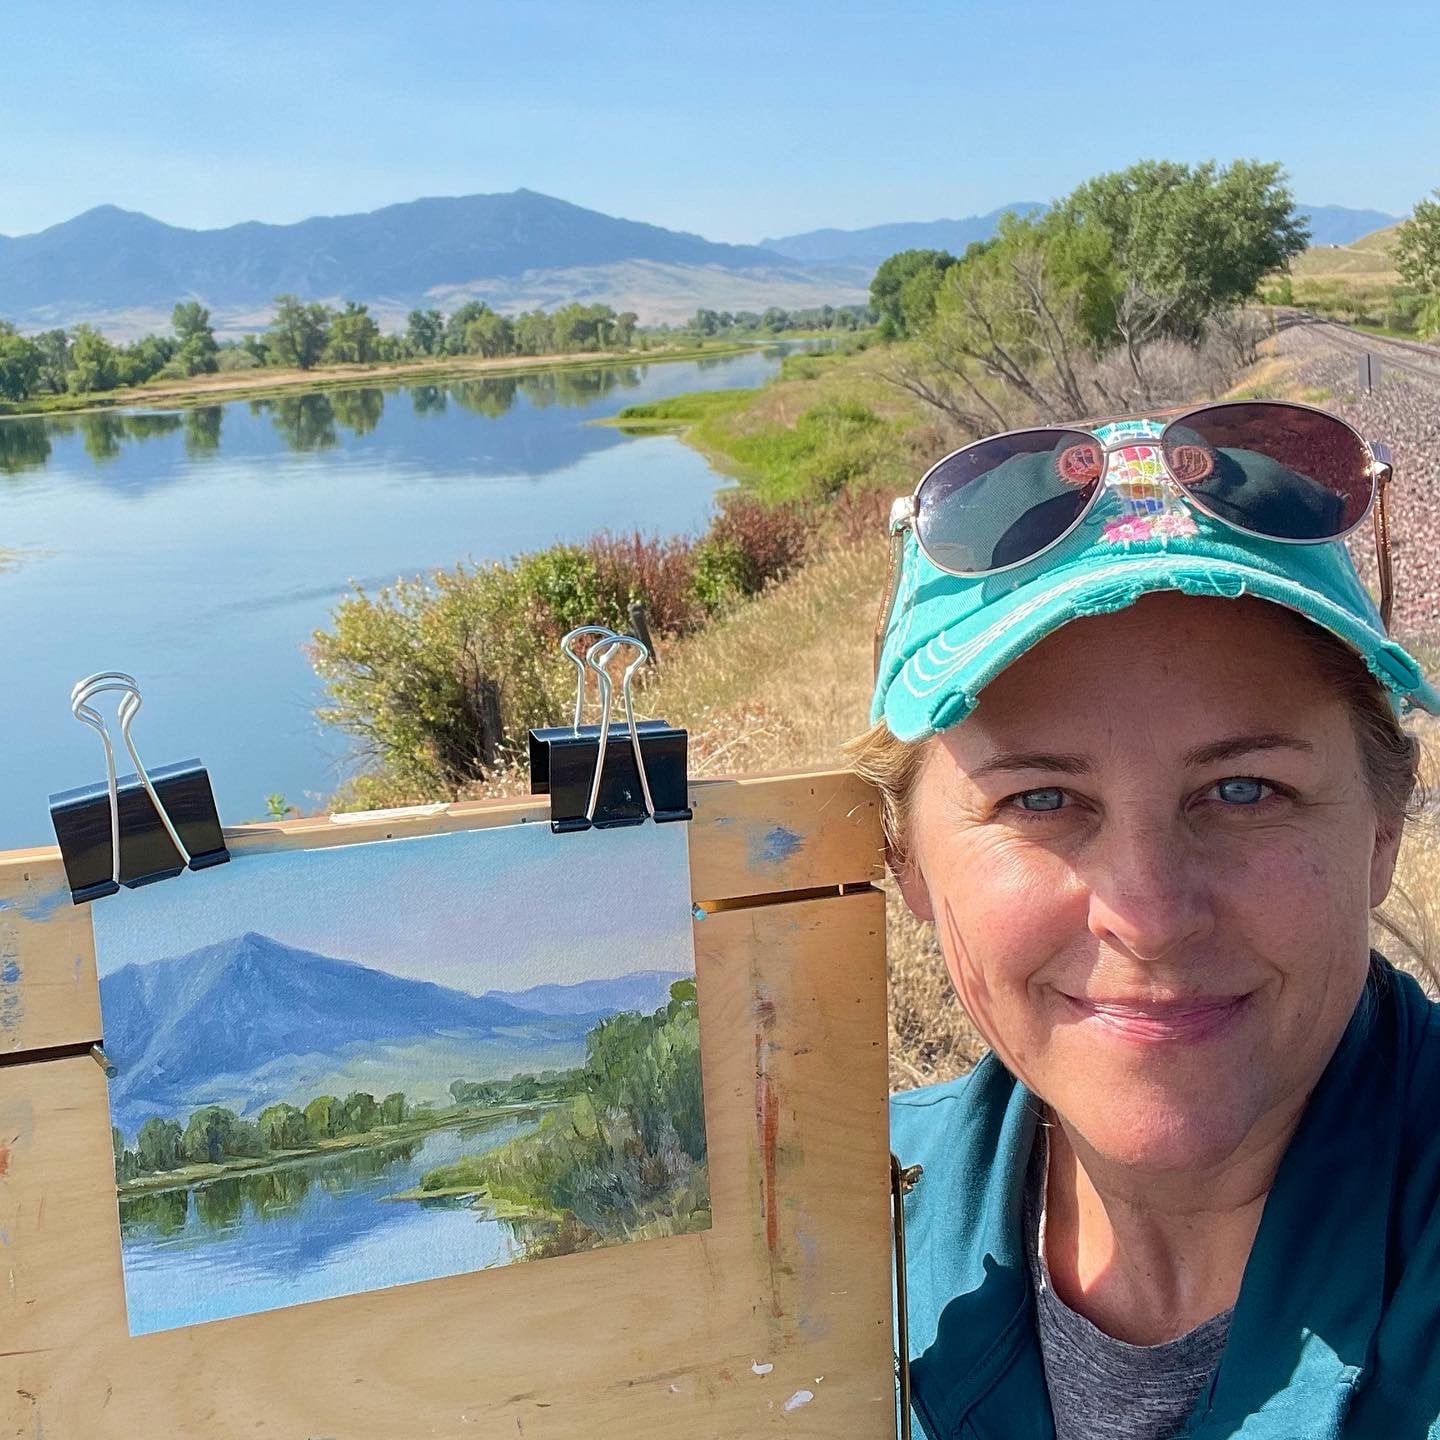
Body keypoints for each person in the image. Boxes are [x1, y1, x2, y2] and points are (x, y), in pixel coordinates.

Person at [851, 402, 1440, 1439]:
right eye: (1042, 799)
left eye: (1245, 790)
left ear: (1382, 829)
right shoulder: (827, 1227)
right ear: (907, 863)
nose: (1152, 915)